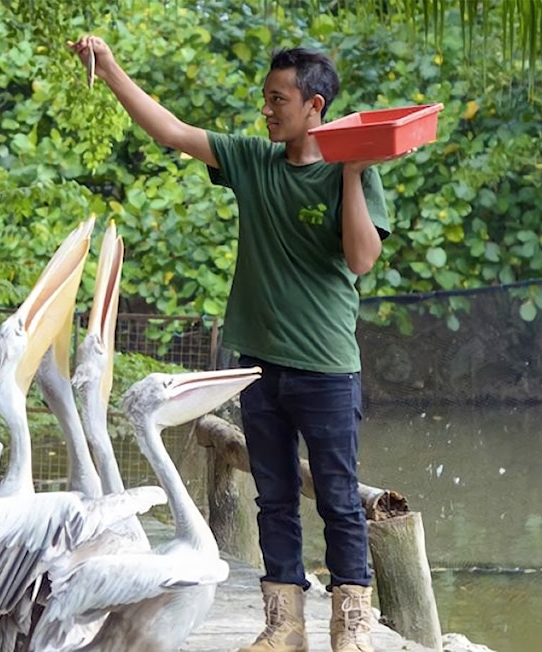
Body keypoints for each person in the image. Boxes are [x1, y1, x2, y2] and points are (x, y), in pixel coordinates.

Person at [69, 37, 389, 652]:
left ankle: (352, 633)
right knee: (273, 498)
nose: (266, 111)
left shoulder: (355, 173)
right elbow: (171, 131)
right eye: (265, 99)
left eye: (278, 100)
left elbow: (361, 257)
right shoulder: (251, 160)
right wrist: (109, 69)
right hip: (258, 364)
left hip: (326, 369)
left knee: (341, 501)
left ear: (314, 105)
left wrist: (350, 169)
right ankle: (284, 626)